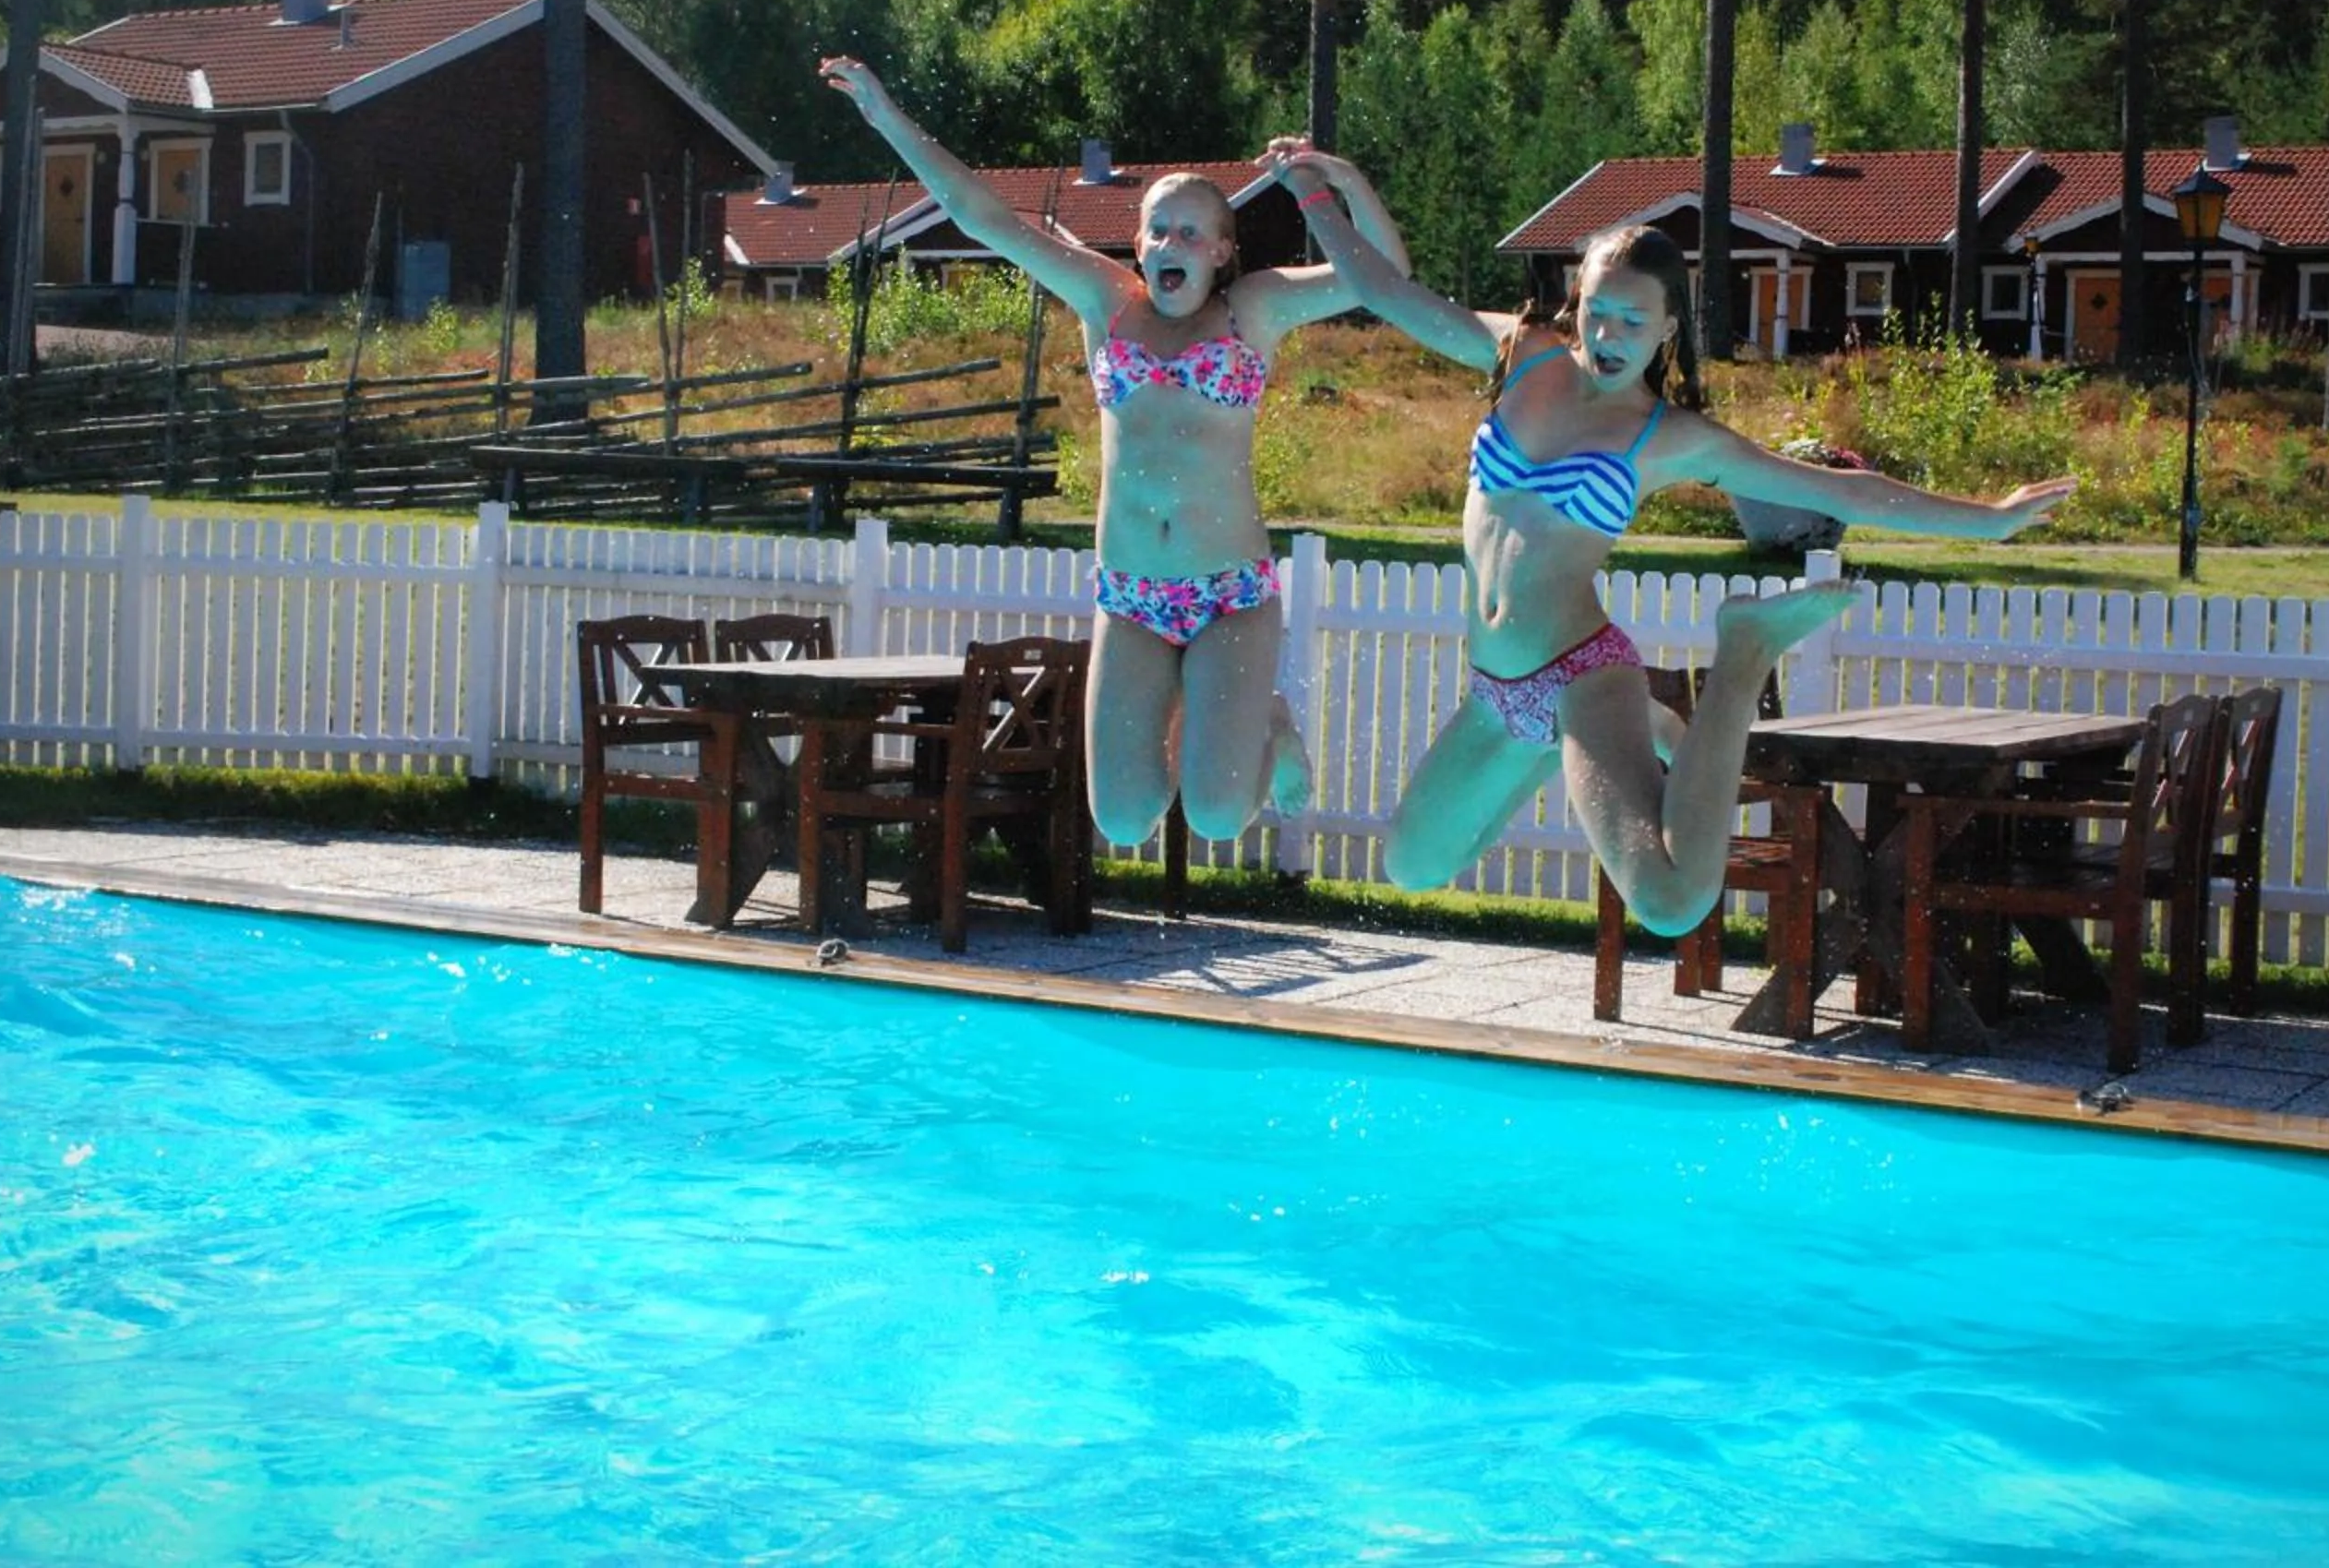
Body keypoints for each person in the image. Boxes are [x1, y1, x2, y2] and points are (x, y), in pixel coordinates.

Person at [1270, 151, 2076, 935]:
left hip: (1582, 674)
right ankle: (1573, 743)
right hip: (1494, 688)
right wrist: (1316, 192)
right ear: (1575, 302)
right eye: (1597, 312)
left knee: (1671, 901)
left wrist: (1986, 518)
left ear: (1667, 329)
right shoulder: (1521, 357)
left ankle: (1743, 652)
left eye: (1633, 322)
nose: (1610, 335)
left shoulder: (1669, 437)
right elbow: (1384, 290)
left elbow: (1839, 490)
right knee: (1413, 865)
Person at [820, 57, 1412, 846]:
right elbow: (983, 217)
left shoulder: (1255, 310)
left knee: (1216, 815)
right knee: (1125, 820)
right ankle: (1204, 716)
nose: (1172, 243)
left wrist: (1340, 181)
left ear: (1222, 251)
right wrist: (885, 115)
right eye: (1158, 230)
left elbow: (1386, 277)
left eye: (1191, 232)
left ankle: (1269, 728)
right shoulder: (1106, 302)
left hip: (1230, 594)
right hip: (1131, 595)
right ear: (1137, 244)